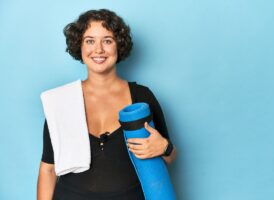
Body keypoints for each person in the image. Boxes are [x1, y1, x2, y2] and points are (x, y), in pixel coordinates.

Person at [37, 9, 176, 200]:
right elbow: (48, 169)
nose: (99, 49)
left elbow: (169, 156)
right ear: (80, 45)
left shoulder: (141, 96)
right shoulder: (61, 100)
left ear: (119, 45)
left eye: (108, 40)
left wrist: (164, 147)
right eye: (90, 40)